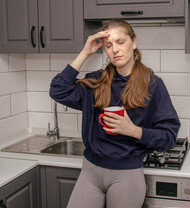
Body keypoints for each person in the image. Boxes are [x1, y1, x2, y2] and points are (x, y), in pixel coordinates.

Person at [49, 19, 180, 208]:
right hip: (90, 172)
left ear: (133, 42)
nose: (115, 50)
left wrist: (133, 130)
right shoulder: (96, 81)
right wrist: (85, 52)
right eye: (108, 45)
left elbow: (169, 137)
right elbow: (57, 90)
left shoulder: (153, 85)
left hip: (127, 175)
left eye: (121, 42)